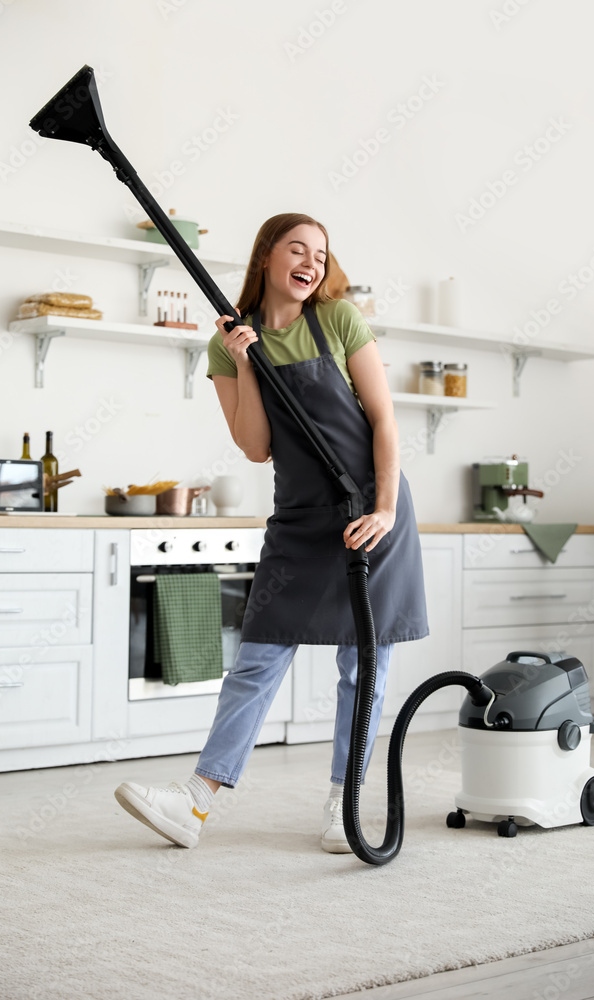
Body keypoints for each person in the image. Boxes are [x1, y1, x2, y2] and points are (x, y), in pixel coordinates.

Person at [115, 213, 429, 852]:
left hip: (370, 510)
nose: (311, 262)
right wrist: (245, 362)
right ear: (267, 257)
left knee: (362, 667)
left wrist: (388, 508)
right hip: (298, 518)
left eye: (320, 252)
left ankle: (345, 806)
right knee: (257, 658)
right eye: (297, 248)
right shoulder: (226, 343)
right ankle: (196, 803)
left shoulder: (339, 321)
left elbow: (385, 422)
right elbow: (257, 446)